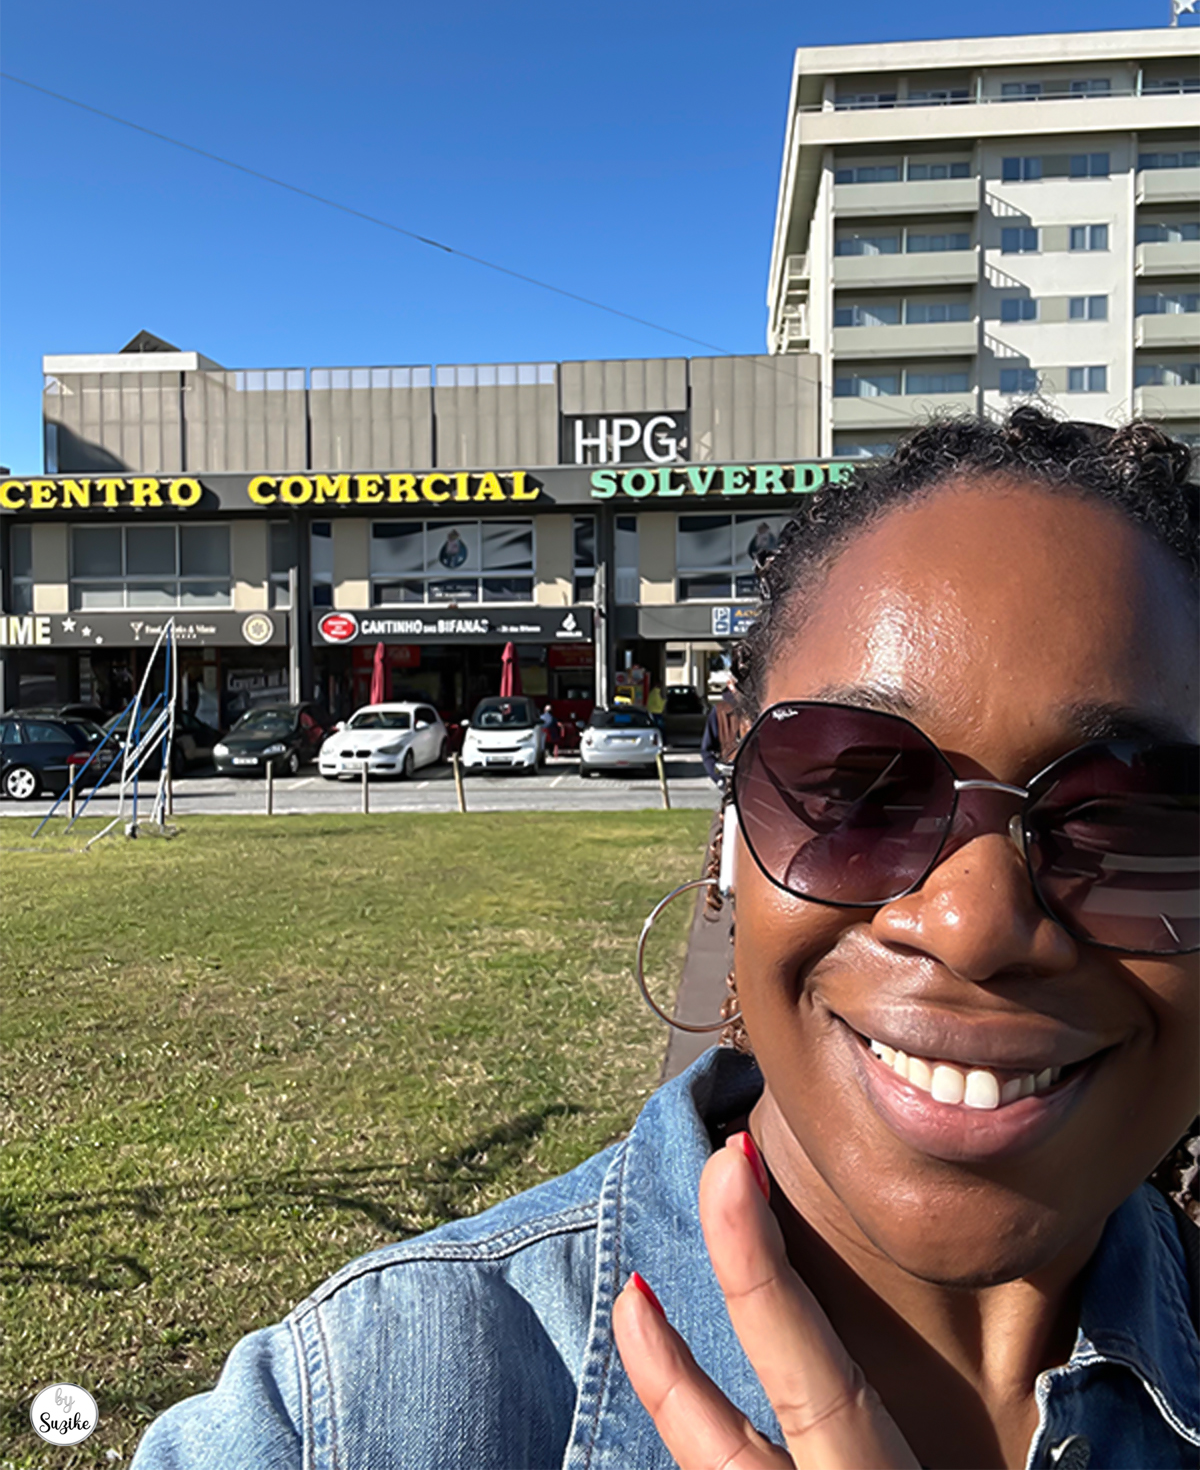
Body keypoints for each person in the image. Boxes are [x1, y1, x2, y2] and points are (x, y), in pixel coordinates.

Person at [131, 408, 1199, 1470]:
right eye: (862, 786)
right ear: (732, 821)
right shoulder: (355, 1412)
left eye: (1132, 817)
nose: (976, 923)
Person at [700, 684, 742, 784]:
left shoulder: (762, 707)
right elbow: (707, 751)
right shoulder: (719, 711)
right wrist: (719, 779)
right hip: (731, 780)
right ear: (730, 684)